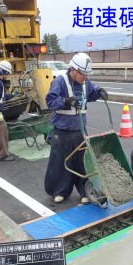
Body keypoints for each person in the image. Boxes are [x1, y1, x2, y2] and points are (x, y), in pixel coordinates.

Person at [44, 52, 108, 204]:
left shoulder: (86, 82)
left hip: (80, 130)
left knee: (82, 162)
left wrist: (99, 92)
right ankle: (60, 191)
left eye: (87, 74)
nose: (85, 77)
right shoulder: (60, 81)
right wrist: (66, 100)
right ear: (73, 70)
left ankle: (84, 190)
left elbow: (91, 93)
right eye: (83, 74)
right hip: (62, 130)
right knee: (60, 162)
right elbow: (50, 101)